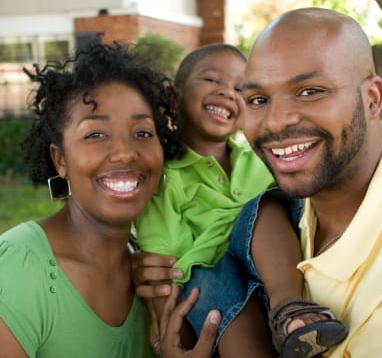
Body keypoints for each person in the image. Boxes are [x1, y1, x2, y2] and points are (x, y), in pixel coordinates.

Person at [136, 7, 382, 358]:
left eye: (310, 91)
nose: (276, 121)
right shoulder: (307, 199)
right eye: (259, 99)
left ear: (372, 99)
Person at [133, 43, 347, 357]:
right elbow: (166, 270)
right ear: (175, 96)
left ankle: (290, 311)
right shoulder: (164, 176)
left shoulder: (261, 160)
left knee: (265, 207)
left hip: (275, 274)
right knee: (206, 280)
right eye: (212, 80)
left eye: (240, 89)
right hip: (214, 291)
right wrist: (166, 333)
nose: (227, 92)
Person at [0, 42, 193, 357]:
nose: (125, 153)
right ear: (60, 159)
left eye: (142, 133)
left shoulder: (154, 278)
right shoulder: (19, 271)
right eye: (96, 134)